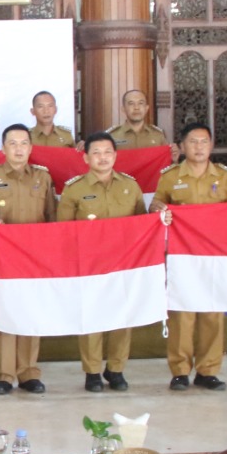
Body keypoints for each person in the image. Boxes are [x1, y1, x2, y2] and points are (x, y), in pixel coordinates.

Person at [151, 122, 227, 391]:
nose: (199, 147)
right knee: (182, 313)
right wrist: (158, 208)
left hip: (213, 256)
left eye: (204, 142)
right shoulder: (170, 176)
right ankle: (179, 371)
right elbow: (156, 205)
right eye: (193, 142)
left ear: (211, 146)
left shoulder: (225, 177)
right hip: (182, 257)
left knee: (212, 313)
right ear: (181, 147)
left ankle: (208, 371)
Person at [59, 133, 147, 392]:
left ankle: (116, 369)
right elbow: (64, 230)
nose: (103, 157)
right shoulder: (74, 189)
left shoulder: (130, 186)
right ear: (86, 157)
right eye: (96, 152)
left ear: (115, 155)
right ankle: (93, 371)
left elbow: (143, 225)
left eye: (108, 152)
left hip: (124, 264)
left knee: (122, 317)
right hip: (90, 265)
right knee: (92, 317)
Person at [0, 124, 55, 394]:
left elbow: (52, 217)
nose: (18, 149)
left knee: (32, 313)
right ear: (4, 148)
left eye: (23, 143)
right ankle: (3, 375)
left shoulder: (43, 177)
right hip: (3, 258)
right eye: (12, 143)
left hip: (35, 258)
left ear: (31, 148)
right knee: (5, 314)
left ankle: (29, 372)